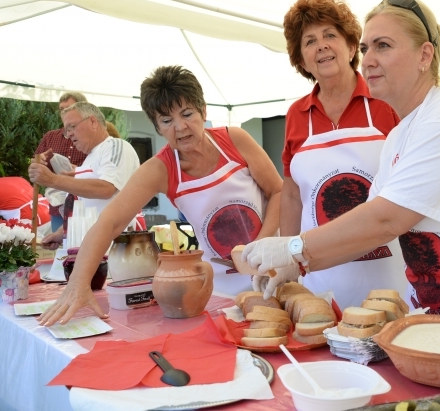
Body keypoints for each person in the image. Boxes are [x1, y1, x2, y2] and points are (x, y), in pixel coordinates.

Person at [244, 0, 440, 325]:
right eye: (366, 49)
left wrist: (294, 247)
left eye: (383, 46)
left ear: (425, 55)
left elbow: (386, 220)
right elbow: (370, 233)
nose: (368, 60)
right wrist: (299, 264)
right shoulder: (399, 135)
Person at [37, 66, 282, 326]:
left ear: (203, 111)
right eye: (167, 121)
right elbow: (109, 222)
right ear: (157, 127)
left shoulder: (235, 140)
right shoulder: (161, 168)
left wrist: (263, 246)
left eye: (187, 114)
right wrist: (78, 282)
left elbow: (278, 190)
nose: (180, 127)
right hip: (219, 293)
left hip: (274, 274)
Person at [274, 0, 407, 307]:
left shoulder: (386, 102)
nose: (321, 45)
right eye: (309, 41)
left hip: (390, 277)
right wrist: (286, 259)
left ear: (351, 48)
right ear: (302, 60)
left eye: (330, 35)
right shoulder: (296, 114)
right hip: (319, 282)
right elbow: (292, 193)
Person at [28, 102, 143, 250]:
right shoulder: (89, 159)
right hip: (94, 248)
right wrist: (63, 233)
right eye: (66, 129)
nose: (68, 134)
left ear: (93, 122)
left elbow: (107, 188)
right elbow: (88, 207)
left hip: (117, 249)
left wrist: (52, 179)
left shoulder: (115, 146)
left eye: (72, 127)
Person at [35, 92, 88, 232]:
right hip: (57, 204)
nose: (64, 112)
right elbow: (30, 160)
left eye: (68, 108)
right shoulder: (50, 136)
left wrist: (81, 170)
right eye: (61, 109)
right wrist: (38, 160)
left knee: (83, 245)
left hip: (84, 201)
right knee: (60, 248)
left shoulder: (89, 137)